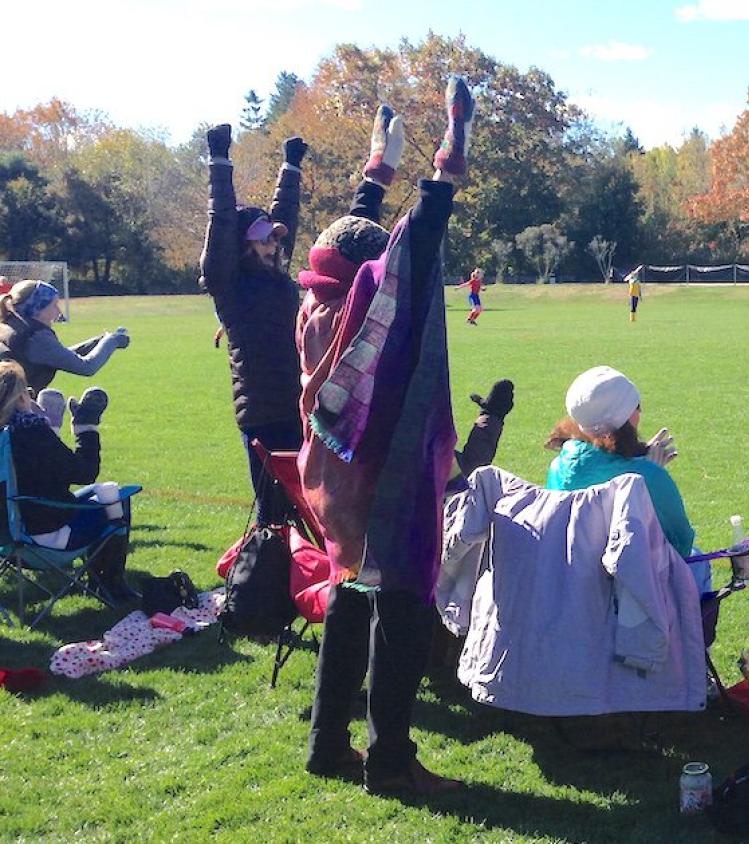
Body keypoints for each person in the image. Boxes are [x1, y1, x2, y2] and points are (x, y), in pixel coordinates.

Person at [298, 82, 472, 796]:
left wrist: (378, 172)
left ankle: (326, 744)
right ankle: (392, 764)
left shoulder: (316, 301)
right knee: (401, 607)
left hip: (331, 487)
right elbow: (412, 244)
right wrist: (449, 153)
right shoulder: (381, 315)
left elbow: (354, 242)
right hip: (383, 485)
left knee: (347, 600)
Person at [199, 123, 307, 528]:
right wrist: (219, 159)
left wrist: (291, 167)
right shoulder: (228, 281)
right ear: (242, 244)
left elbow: (285, 217)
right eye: (263, 240)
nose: (273, 245)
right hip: (263, 412)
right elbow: (222, 219)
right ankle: (264, 584)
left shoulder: (276, 274)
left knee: (307, 506)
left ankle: (304, 581)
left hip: (299, 404)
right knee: (273, 512)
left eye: (274, 240)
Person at [543, 365, 708, 592]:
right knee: (698, 562)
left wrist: (639, 462)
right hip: (632, 598)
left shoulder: (558, 467)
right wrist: (649, 475)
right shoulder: (647, 478)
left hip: (577, 591)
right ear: (629, 416)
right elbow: (680, 544)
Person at [0, 362, 136, 603]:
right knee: (117, 498)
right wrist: (86, 430)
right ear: (21, 398)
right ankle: (109, 583)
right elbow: (85, 472)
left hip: (6, 539)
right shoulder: (30, 433)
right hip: (44, 539)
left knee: (98, 492)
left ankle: (101, 581)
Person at [0, 281, 129, 391]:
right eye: (54, 305)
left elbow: (58, 355)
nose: (59, 312)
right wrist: (113, 341)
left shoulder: (11, 324)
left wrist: (98, 342)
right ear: (37, 309)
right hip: (13, 413)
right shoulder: (36, 337)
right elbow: (86, 367)